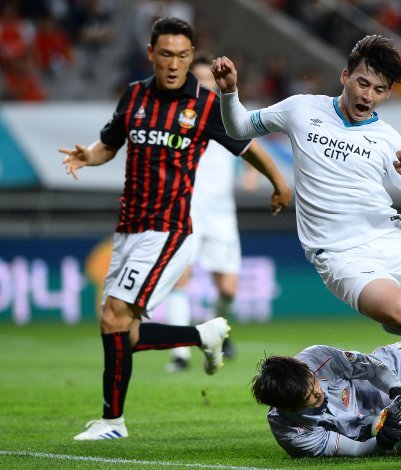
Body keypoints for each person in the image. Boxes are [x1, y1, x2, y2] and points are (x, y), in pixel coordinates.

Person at [211, 34, 401, 448]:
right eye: (362, 83)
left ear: (387, 93)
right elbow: (237, 127)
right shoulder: (301, 109)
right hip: (338, 253)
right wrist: (229, 92)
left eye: (379, 89)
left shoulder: (389, 140)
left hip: (391, 241)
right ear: (345, 76)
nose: (368, 95)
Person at [59, 17, 291, 441]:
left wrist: (278, 182)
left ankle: (113, 422)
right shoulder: (134, 96)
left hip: (168, 230)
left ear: (190, 56)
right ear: (151, 53)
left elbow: (247, 146)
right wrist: (87, 156)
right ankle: (201, 334)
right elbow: (108, 144)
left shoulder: (204, 105)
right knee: (119, 330)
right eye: (166, 54)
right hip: (128, 229)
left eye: (182, 56)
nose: (173, 64)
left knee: (114, 317)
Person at [164, 55, 261, 372]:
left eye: (209, 79)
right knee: (179, 279)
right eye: (199, 79)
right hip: (186, 211)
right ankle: (180, 354)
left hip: (221, 215)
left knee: (228, 289)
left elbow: (250, 148)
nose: (205, 84)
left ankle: (216, 332)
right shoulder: (178, 116)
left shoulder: (228, 116)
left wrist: (252, 172)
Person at [251, 335, 401, 457]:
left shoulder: (316, 357)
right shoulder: (293, 434)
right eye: (309, 398)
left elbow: (373, 369)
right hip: (371, 430)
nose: (318, 392)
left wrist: (399, 393)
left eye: (314, 383)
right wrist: (384, 441)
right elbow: (357, 450)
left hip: (375, 386)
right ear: (289, 408)